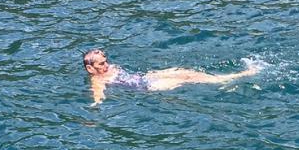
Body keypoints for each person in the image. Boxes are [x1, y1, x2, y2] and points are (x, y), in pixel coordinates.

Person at [83, 49, 262, 105]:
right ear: (90, 69)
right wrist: (95, 104)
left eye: (106, 61)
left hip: (146, 77)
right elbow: (98, 95)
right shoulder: (98, 79)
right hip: (148, 87)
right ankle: (236, 78)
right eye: (101, 64)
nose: (106, 65)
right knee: (188, 79)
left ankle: (225, 80)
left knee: (187, 72)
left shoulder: (107, 69)